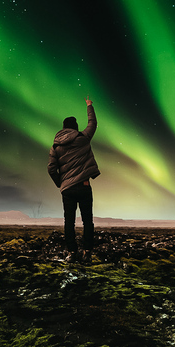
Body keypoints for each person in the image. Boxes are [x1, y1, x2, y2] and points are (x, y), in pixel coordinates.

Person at [47, 96, 100, 261]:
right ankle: (87, 252)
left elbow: (51, 168)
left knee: (68, 222)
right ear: (75, 128)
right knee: (87, 221)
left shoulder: (56, 146)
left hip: (67, 189)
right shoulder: (83, 138)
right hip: (83, 186)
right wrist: (89, 105)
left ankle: (71, 252)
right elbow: (93, 124)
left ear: (63, 129)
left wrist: (60, 183)